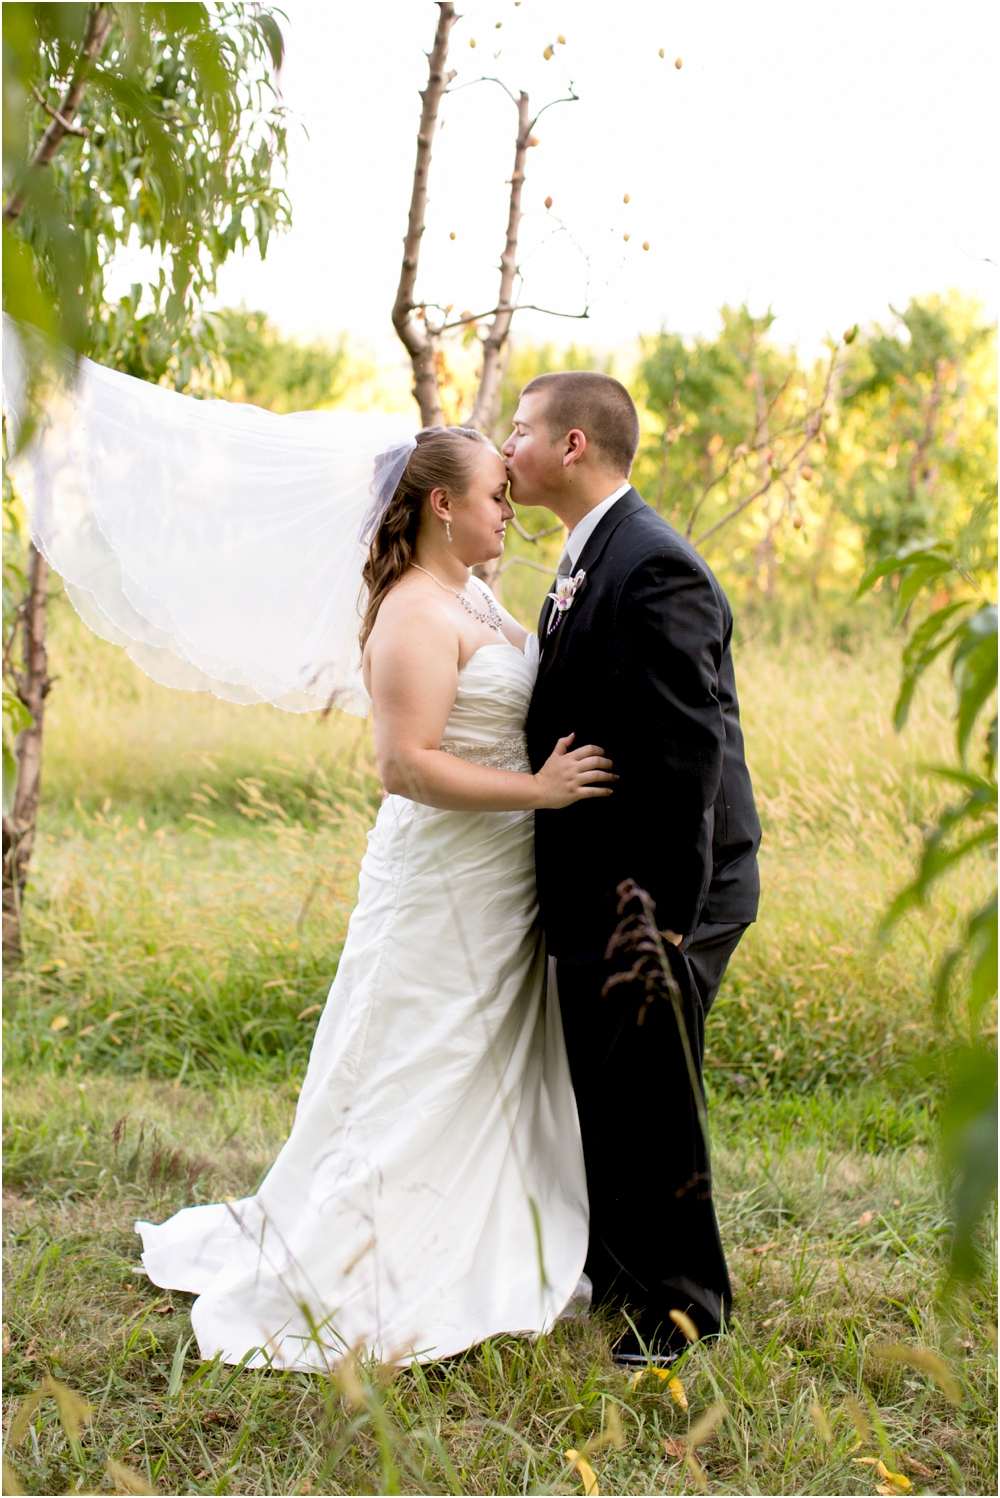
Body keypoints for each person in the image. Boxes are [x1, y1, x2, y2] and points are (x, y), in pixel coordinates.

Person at [1, 331, 612, 1372]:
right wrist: (541, 790)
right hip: (444, 877)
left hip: (497, 874)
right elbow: (406, 764)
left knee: (479, 1061)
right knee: (421, 1056)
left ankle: (496, 1231)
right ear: (439, 506)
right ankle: (372, 1256)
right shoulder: (413, 614)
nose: (508, 507)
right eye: (493, 496)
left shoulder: (470, 597)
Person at [504, 371, 761, 1366]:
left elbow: (688, 758)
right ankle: (620, 1278)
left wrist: (664, 918)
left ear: (573, 445)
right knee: (608, 1094)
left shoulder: (654, 568)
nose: (509, 446)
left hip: (658, 891)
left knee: (651, 1099)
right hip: (602, 885)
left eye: (522, 430)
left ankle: (682, 1311)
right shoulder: (586, 557)